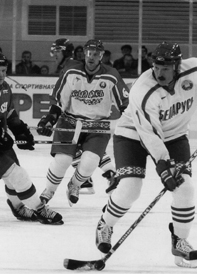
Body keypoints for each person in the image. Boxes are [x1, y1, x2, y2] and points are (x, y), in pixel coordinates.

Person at [95, 41, 197, 268]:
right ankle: (105, 225)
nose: (159, 72)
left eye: (165, 68)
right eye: (156, 66)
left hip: (174, 136)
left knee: (185, 188)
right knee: (130, 189)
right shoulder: (143, 89)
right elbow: (149, 133)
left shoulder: (193, 70)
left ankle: (180, 241)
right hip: (133, 135)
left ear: (177, 65)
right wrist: (163, 166)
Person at [0, 53, 63, 225]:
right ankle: (40, 210)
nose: (1, 74)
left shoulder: (5, 88)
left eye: (4, 70)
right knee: (18, 175)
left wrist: (20, 130)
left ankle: (18, 208)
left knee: (13, 177)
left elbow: (10, 113)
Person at [36, 39, 129, 207]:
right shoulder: (71, 72)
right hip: (70, 122)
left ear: (101, 56)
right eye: (88, 53)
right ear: (83, 54)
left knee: (90, 161)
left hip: (97, 125)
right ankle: (48, 191)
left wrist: (132, 122)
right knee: (62, 161)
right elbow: (58, 99)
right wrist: (50, 119)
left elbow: (125, 102)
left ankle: (75, 185)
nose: (91, 57)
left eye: (96, 54)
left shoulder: (111, 75)